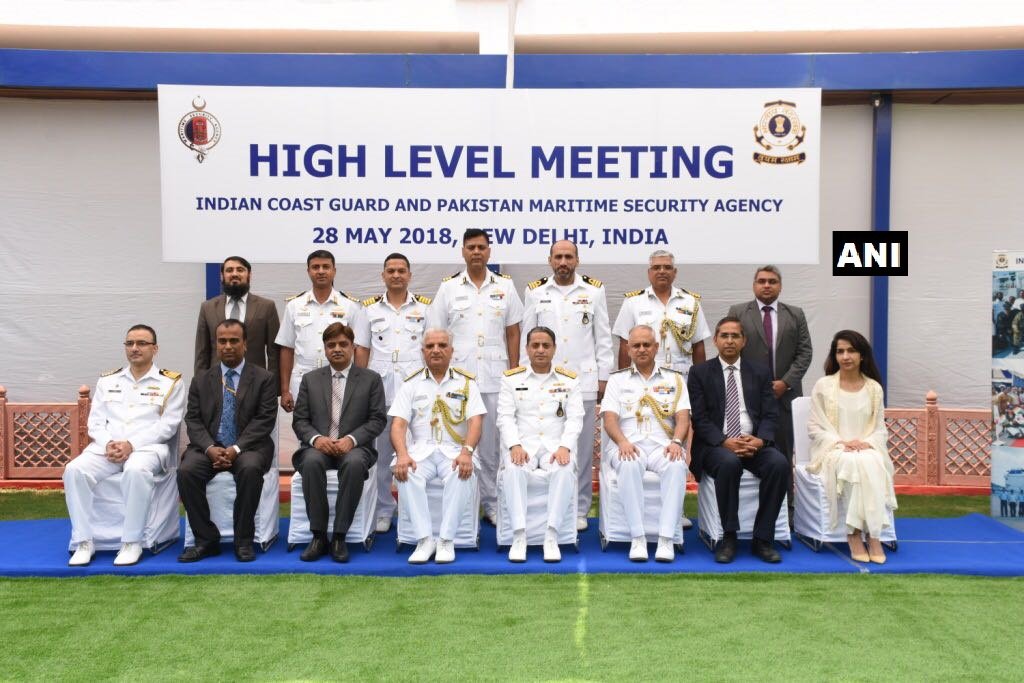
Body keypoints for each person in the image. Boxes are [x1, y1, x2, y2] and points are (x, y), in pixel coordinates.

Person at [63, 325, 185, 567]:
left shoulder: (170, 382)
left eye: (141, 343)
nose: (134, 348)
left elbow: (168, 426)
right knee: (74, 470)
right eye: (129, 343)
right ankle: (84, 542)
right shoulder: (108, 380)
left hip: (148, 449)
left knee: (136, 470)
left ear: (155, 348)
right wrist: (109, 443)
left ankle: (131, 542)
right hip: (106, 449)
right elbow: (95, 422)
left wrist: (131, 444)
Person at [427, 229, 523, 526]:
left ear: (490, 252)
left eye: (482, 247)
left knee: (493, 445)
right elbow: (436, 333)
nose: (477, 252)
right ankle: (465, 503)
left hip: (496, 377)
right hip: (460, 380)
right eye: (471, 247)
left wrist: (515, 372)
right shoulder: (449, 288)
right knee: (461, 442)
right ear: (463, 252)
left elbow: (513, 331)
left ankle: (493, 504)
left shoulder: (505, 287)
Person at [521, 240, 613, 531]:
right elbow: (527, 335)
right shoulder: (535, 291)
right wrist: (525, 379)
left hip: (582, 381)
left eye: (568, 257)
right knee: (547, 443)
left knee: (581, 449)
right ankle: (549, 505)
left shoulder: (594, 291)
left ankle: (579, 507)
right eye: (558, 257)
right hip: (543, 382)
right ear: (549, 260)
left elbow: (604, 337)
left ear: (577, 260)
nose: (563, 262)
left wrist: (603, 378)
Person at [688, 317, 790, 564]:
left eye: (735, 336)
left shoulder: (760, 372)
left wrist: (760, 440)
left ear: (744, 341)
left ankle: (763, 538)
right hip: (716, 446)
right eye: (724, 336)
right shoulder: (699, 372)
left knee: (779, 464)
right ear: (715, 340)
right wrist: (724, 441)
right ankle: (729, 537)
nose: (730, 341)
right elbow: (699, 419)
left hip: (752, 442)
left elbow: (770, 414)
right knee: (728, 463)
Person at [178, 319, 278, 562]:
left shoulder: (263, 378)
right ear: (216, 344)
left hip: (249, 447)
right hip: (208, 447)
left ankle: (243, 540)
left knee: (251, 469)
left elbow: (264, 421)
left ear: (245, 344)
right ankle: (206, 539)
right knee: (187, 472)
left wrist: (235, 448)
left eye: (234, 340)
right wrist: (211, 448)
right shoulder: (201, 380)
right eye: (222, 341)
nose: (228, 346)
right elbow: (193, 420)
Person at [291, 323, 387, 562]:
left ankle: (339, 537)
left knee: (354, 464)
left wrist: (352, 440)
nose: (337, 349)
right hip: (318, 447)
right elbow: (300, 420)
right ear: (324, 349)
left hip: (355, 448)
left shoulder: (370, 379)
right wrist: (316, 439)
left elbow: (377, 420)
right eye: (331, 345)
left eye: (343, 344)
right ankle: (319, 536)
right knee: (311, 462)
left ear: (353, 347)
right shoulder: (310, 379)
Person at [389, 329, 486, 564]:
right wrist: (402, 454)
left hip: (454, 450)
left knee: (461, 474)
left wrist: (467, 452)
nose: (436, 350)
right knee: (405, 473)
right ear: (422, 352)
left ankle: (445, 540)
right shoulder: (411, 384)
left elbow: (475, 421)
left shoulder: (466, 383)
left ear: (451, 351)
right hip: (421, 450)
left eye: (442, 345)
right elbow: (398, 424)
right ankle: (424, 540)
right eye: (430, 346)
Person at [806, 330, 897, 564]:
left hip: (866, 448)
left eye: (851, 351)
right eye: (840, 351)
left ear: (862, 355)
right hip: (833, 450)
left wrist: (866, 443)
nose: (846, 356)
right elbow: (815, 427)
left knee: (869, 461)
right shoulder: (823, 386)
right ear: (834, 356)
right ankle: (855, 534)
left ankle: (872, 535)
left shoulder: (874, 388)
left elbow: (880, 429)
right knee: (853, 462)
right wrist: (840, 443)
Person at [601, 325, 690, 563]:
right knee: (628, 464)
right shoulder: (617, 380)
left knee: (676, 465)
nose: (641, 349)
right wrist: (622, 442)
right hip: (629, 444)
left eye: (646, 345)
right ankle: (637, 537)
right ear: (628, 350)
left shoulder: (675, 379)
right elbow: (609, 418)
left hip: (663, 445)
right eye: (636, 345)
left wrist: (677, 442)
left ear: (656, 347)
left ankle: (666, 539)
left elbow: (683, 417)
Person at [497, 326, 585, 563]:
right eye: (535, 345)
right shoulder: (511, 379)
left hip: (555, 447)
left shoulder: (570, 380)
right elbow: (505, 416)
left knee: (565, 469)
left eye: (546, 345)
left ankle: (551, 535)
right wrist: (514, 445)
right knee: (514, 469)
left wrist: (565, 447)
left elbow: (575, 418)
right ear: (526, 349)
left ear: (554, 349)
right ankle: (519, 535)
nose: (540, 350)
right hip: (523, 446)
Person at [362, 252, 431, 534]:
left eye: (401, 270)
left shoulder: (425, 308)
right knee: (380, 456)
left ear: (409, 275)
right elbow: (362, 351)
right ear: (383, 275)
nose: (396, 275)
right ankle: (383, 509)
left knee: (414, 453)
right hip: (381, 392)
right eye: (391, 270)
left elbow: (431, 349)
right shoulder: (368, 310)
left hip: (415, 392)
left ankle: (409, 508)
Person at [727, 265, 812, 466]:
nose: (767, 285)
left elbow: (805, 353)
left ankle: (787, 498)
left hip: (784, 397)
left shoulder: (795, 314)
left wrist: (785, 383)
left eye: (772, 282)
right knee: (746, 451)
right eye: (762, 281)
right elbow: (730, 351)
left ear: (780, 287)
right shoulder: (738, 312)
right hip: (747, 396)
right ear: (754, 285)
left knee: (782, 454)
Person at [275, 249, 370, 414]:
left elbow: (359, 347)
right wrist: (285, 390)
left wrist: (359, 385)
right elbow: (287, 349)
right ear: (308, 271)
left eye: (326, 267)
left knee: (339, 428)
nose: (320, 271)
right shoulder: (294, 306)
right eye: (315, 267)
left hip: (340, 377)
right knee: (304, 430)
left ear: (334, 271)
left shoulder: (350, 306)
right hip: (303, 377)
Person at [612, 249, 709, 379]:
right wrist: (623, 380)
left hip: (683, 377)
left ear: (675, 273)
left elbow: (698, 345)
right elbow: (625, 345)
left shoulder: (691, 302)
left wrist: (701, 381)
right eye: (656, 267)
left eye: (667, 267)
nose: (662, 271)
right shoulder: (633, 302)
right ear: (649, 273)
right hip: (645, 376)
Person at [194, 256, 280, 383]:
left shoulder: (267, 307)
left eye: (240, 270)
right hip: (217, 383)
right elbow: (202, 352)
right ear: (222, 276)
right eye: (229, 270)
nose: (234, 274)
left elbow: (274, 353)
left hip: (256, 383)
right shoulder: (208, 307)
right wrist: (200, 385)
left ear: (249, 275)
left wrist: (273, 387)